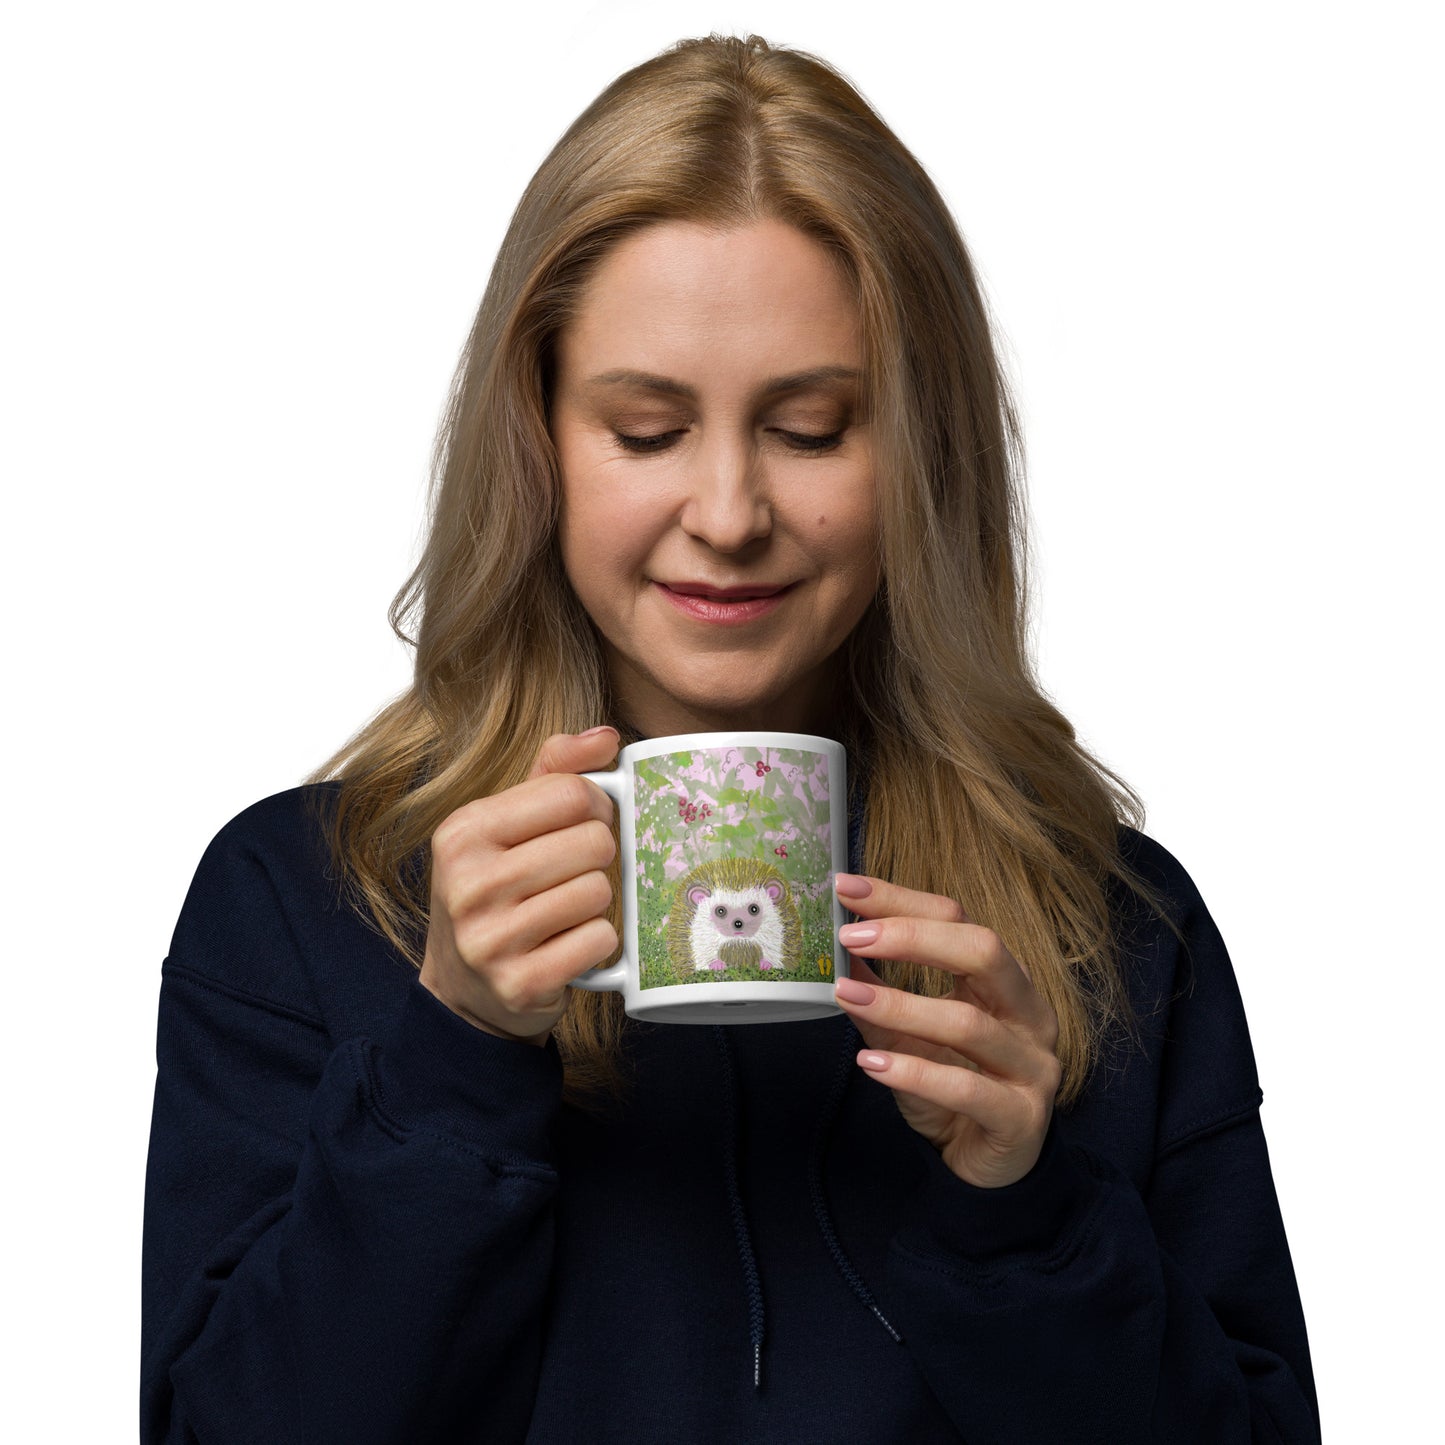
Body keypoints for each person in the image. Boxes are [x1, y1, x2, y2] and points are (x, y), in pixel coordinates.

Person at [140, 33, 1320, 1444]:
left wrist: (1027, 1207)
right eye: (645, 429)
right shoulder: (303, 903)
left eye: (811, 427)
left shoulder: (1112, 931)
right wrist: (450, 1051)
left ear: (920, 455)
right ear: (539, 443)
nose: (726, 508)